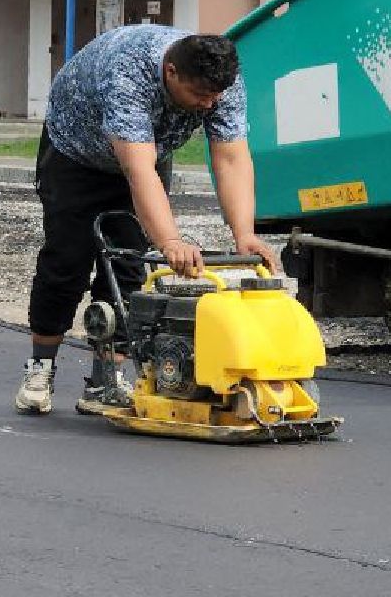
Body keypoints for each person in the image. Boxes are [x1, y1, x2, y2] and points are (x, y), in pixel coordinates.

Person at [15, 25, 281, 416]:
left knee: (130, 265)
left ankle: (106, 380)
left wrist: (245, 234)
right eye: (200, 96)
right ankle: (41, 368)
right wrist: (170, 240)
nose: (210, 104)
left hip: (148, 154)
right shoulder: (129, 75)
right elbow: (138, 170)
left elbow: (230, 157)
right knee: (66, 261)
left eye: (215, 96)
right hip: (76, 152)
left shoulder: (221, 82)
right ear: (171, 72)